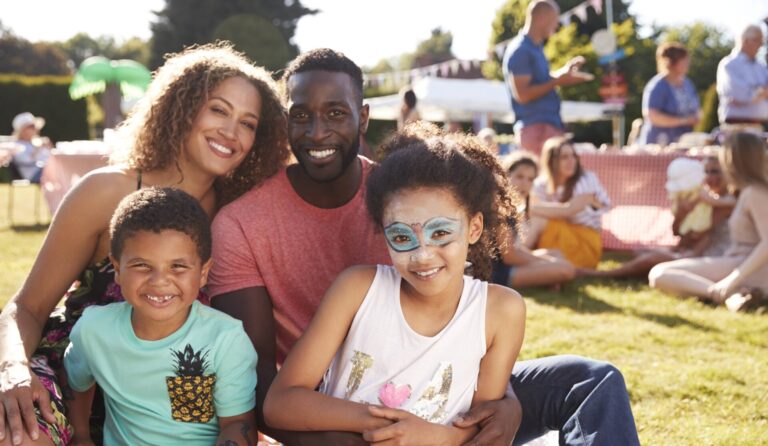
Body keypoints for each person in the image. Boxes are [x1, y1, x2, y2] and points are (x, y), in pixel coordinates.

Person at [210, 47, 640, 446]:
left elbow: (467, 322)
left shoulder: (409, 192)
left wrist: (502, 401)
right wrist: (375, 432)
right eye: (301, 115)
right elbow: (257, 385)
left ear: (362, 118)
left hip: (443, 393)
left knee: (592, 380)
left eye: (336, 113)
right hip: (340, 408)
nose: (317, 130)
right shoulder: (244, 225)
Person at [0, 42, 289, 446]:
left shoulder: (239, 216)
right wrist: (12, 368)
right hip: (74, 379)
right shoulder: (105, 191)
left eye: (248, 123)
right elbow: (26, 307)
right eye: (219, 109)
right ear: (183, 108)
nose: (230, 131)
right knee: (17, 433)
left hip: (176, 411)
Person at [263, 123, 526, 444]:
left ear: (474, 228)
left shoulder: (500, 311)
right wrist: (383, 422)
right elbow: (280, 403)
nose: (422, 255)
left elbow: (484, 425)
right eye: (402, 237)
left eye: (440, 233)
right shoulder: (357, 289)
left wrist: (432, 437)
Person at [63, 187, 258, 446]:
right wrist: (81, 435)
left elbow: (238, 424)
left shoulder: (226, 340)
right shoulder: (93, 330)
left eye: (177, 266)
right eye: (142, 265)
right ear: (118, 269)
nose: (159, 281)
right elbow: (76, 380)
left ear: (203, 273)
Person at [649, 132, 768, 311]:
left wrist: (732, 279)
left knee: (659, 274)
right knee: (659, 272)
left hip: (749, 267)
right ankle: (733, 295)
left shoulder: (755, 193)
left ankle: (723, 294)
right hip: (740, 264)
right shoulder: (748, 192)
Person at [582, 156, 734, 279]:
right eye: (706, 172)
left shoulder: (725, 202)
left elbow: (698, 235)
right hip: (692, 252)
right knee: (641, 251)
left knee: (652, 259)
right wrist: (682, 213)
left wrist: (682, 249)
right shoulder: (700, 199)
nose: (709, 177)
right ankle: (638, 271)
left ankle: (603, 275)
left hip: (711, 258)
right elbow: (677, 233)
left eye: (715, 172)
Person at [502, 0, 593, 154]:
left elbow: (542, 80)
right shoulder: (521, 50)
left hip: (545, 128)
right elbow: (523, 94)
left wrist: (564, 73)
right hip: (536, 130)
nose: (557, 25)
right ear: (541, 18)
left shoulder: (535, 48)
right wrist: (558, 81)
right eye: (554, 19)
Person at [524, 136, 610, 269]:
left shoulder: (586, 179)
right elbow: (530, 211)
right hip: (556, 237)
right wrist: (534, 209)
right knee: (531, 221)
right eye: (564, 157)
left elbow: (569, 211)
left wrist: (534, 208)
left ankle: (517, 259)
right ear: (551, 161)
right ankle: (525, 260)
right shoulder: (541, 184)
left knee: (538, 220)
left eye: (573, 156)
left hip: (584, 242)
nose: (571, 161)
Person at [492, 151, 576, 288]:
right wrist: (545, 262)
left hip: (508, 264)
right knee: (566, 269)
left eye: (530, 179)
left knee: (557, 254)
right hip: (497, 273)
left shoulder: (513, 206)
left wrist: (546, 261)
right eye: (519, 177)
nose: (525, 183)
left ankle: (548, 277)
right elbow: (509, 256)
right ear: (506, 177)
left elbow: (515, 248)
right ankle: (550, 277)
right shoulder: (499, 208)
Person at [637, 42, 701, 146]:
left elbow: (697, 108)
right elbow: (651, 115)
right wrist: (684, 121)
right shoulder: (658, 86)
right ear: (672, 62)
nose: (688, 64)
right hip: (659, 143)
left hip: (683, 142)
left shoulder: (687, 83)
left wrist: (697, 116)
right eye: (684, 61)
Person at [716, 24, 768, 126]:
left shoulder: (761, 67)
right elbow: (740, 95)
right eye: (758, 40)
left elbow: (745, 96)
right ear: (746, 41)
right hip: (736, 125)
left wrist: (754, 93)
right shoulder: (729, 64)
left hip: (760, 124)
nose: (761, 45)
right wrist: (762, 93)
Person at [10, 112, 53, 183]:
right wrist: (38, 148)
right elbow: (27, 160)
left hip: (46, 171)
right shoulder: (16, 145)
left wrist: (49, 147)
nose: (35, 129)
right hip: (34, 175)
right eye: (31, 127)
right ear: (22, 130)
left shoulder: (35, 142)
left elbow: (49, 157)